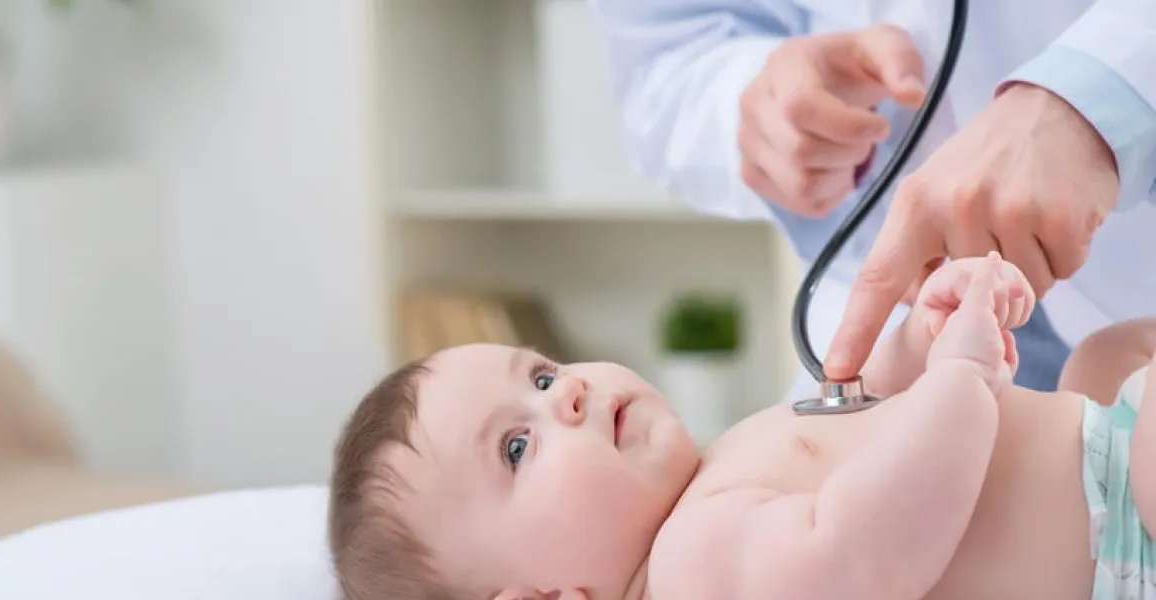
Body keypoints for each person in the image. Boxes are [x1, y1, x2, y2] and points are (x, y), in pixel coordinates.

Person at [326, 252, 1156, 600]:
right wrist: (965, 378)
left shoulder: (711, 477)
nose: (568, 395)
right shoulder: (693, 569)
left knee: (1105, 354)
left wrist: (922, 334)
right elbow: (865, 544)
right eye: (518, 445)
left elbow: (864, 414)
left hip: (1103, 464)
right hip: (1120, 531)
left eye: (544, 374)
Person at [586, 0, 1156, 399]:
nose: (571, 396)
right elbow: (664, 63)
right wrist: (753, 103)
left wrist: (1106, 88)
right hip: (908, 284)